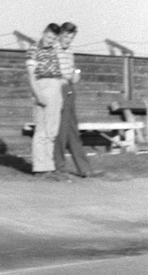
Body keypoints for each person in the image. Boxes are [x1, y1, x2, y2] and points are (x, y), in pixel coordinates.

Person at [53, 22, 100, 178]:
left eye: (71, 37)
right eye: (66, 36)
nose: (68, 40)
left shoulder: (70, 51)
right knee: (62, 130)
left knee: (72, 130)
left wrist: (76, 72)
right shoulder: (53, 49)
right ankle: (59, 166)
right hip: (59, 90)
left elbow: (73, 69)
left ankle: (84, 168)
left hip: (71, 89)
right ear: (60, 34)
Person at [26, 23, 65, 177]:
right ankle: (39, 166)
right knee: (42, 129)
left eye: (54, 38)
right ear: (44, 33)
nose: (50, 40)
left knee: (52, 129)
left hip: (56, 87)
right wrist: (38, 94)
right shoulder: (33, 49)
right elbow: (31, 75)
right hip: (42, 86)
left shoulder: (55, 49)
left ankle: (48, 166)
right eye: (49, 37)